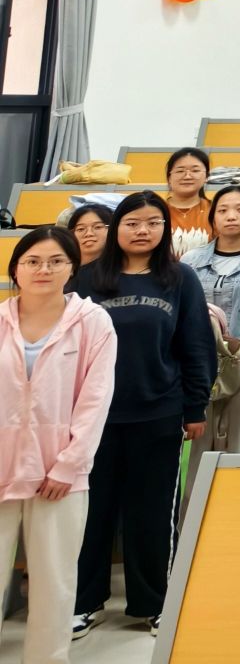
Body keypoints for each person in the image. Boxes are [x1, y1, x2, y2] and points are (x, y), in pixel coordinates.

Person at [68, 193, 213, 638]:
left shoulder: (180, 278)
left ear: (164, 229)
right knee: (91, 513)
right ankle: (83, 603)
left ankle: (154, 604)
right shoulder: (88, 278)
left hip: (159, 414)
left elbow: (195, 345)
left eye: (153, 222)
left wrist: (195, 405)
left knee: (152, 515)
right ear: (117, 229)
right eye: (132, 222)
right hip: (93, 419)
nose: (142, 230)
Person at [1, 227, 114, 664]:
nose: (43, 270)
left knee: (54, 580)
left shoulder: (92, 322)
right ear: (16, 269)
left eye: (55, 261)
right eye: (32, 261)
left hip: (59, 475)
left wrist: (70, 464)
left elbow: (95, 399)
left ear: (73, 268)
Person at [182, 185, 240, 455]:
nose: (231, 216)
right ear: (213, 217)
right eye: (222, 210)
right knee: (196, 450)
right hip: (197, 371)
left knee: (238, 449)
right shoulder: (190, 262)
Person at [160, 148, 214, 259]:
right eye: (180, 171)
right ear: (169, 177)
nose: (187, 176)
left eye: (195, 171)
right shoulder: (156, 211)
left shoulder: (216, 210)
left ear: (206, 176)